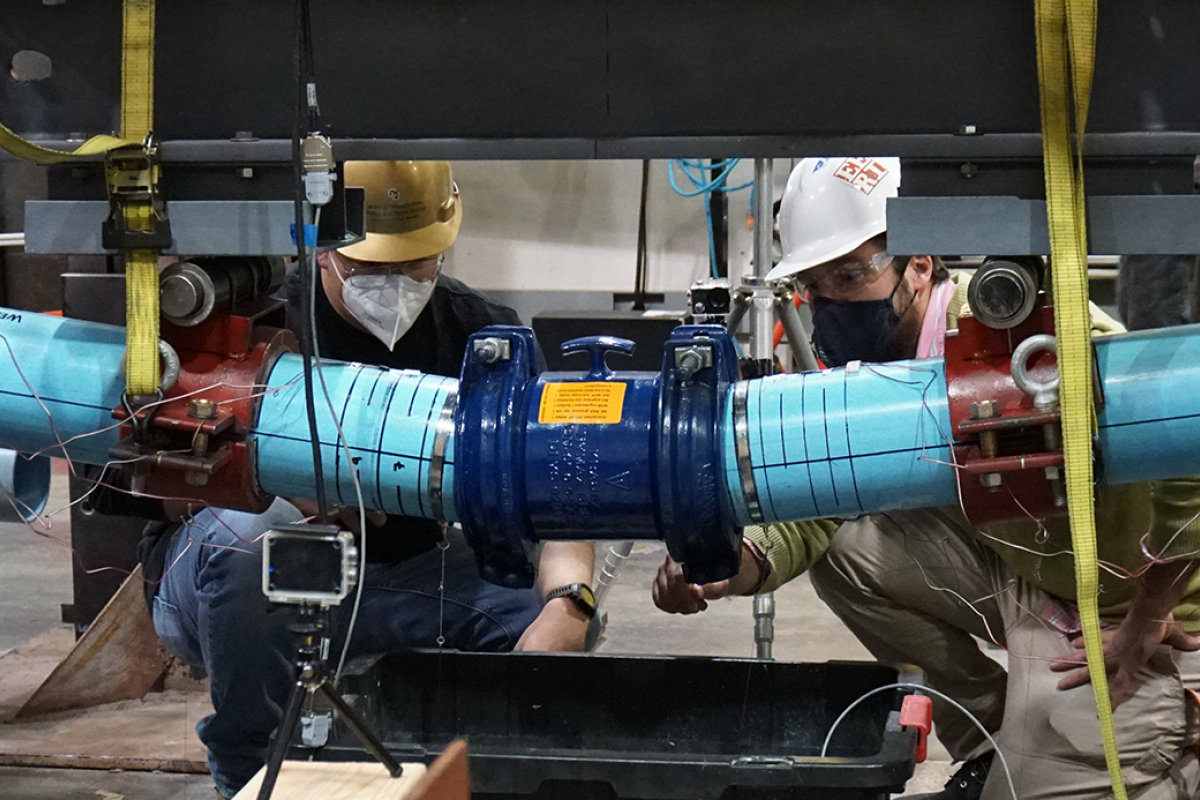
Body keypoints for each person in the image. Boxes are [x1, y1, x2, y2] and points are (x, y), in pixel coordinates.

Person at [653, 157, 1200, 800]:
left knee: (1051, 785)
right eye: (813, 285)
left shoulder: (1025, 333)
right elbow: (824, 490)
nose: (830, 303)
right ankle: (987, 736)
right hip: (1035, 573)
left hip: (1135, 603)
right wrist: (733, 562)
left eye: (851, 274)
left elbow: (1185, 446)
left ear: (918, 263)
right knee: (849, 553)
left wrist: (1149, 615)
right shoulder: (873, 365)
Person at [141, 161, 597, 798]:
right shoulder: (251, 316)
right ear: (325, 248)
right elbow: (153, 472)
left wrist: (570, 604)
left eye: (413, 264)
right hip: (244, 585)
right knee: (253, 540)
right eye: (368, 266)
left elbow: (556, 492)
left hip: (410, 574)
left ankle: (472, 772)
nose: (391, 284)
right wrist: (279, 478)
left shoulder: (486, 337)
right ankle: (250, 775)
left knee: (540, 619)